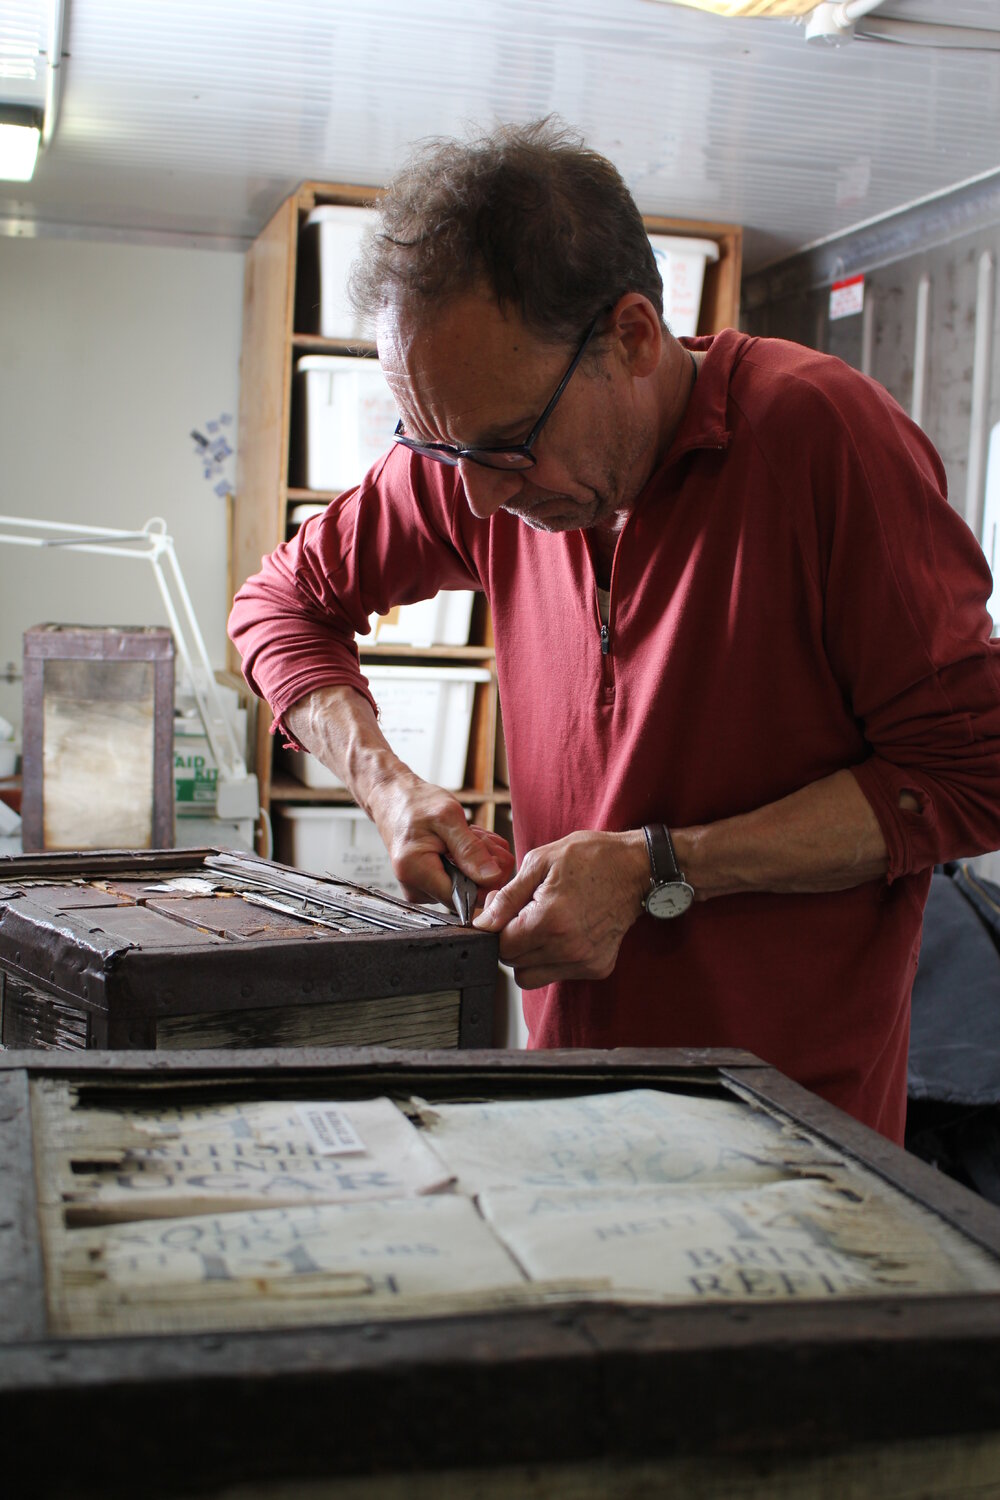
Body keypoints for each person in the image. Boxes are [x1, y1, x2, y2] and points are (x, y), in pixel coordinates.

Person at [229, 119, 1000, 1143]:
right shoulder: (472, 458)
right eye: (438, 446)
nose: (481, 497)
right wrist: (387, 785)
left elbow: (972, 775)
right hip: (572, 1095)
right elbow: (278, 606)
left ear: (631, 337)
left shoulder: (819, 438)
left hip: (792, 1127)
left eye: (507, 446)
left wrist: (657, 868)